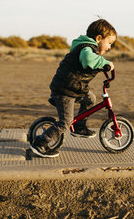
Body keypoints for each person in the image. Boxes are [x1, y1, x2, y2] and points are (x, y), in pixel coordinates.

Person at [30, 19, 117, 158]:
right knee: (65, 123)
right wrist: (105, 63)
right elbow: (88, 60)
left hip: (75, 88)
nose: (109, 47)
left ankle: (79, 126)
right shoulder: (87, 48)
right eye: (109, 43)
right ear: (98, 38)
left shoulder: (88, 49)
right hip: (65, 90)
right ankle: (40, 143)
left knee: (90, 99)